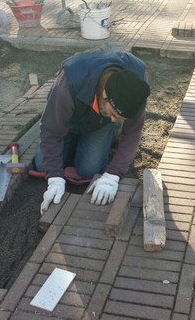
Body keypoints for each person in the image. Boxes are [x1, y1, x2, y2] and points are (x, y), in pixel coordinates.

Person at [35, 49, 150, 215]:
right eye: (113, 114)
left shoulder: (137, 88)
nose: (113, 119)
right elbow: (50, 130)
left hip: (98, 124)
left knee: (89, 170)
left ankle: (98, 138)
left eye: (118, 118)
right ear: (104, 95)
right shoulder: (72, 79)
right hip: (68, 121)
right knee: (44, 164)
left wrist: (113, 175)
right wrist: (54, 178)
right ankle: (74, 141)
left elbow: (132, 133)